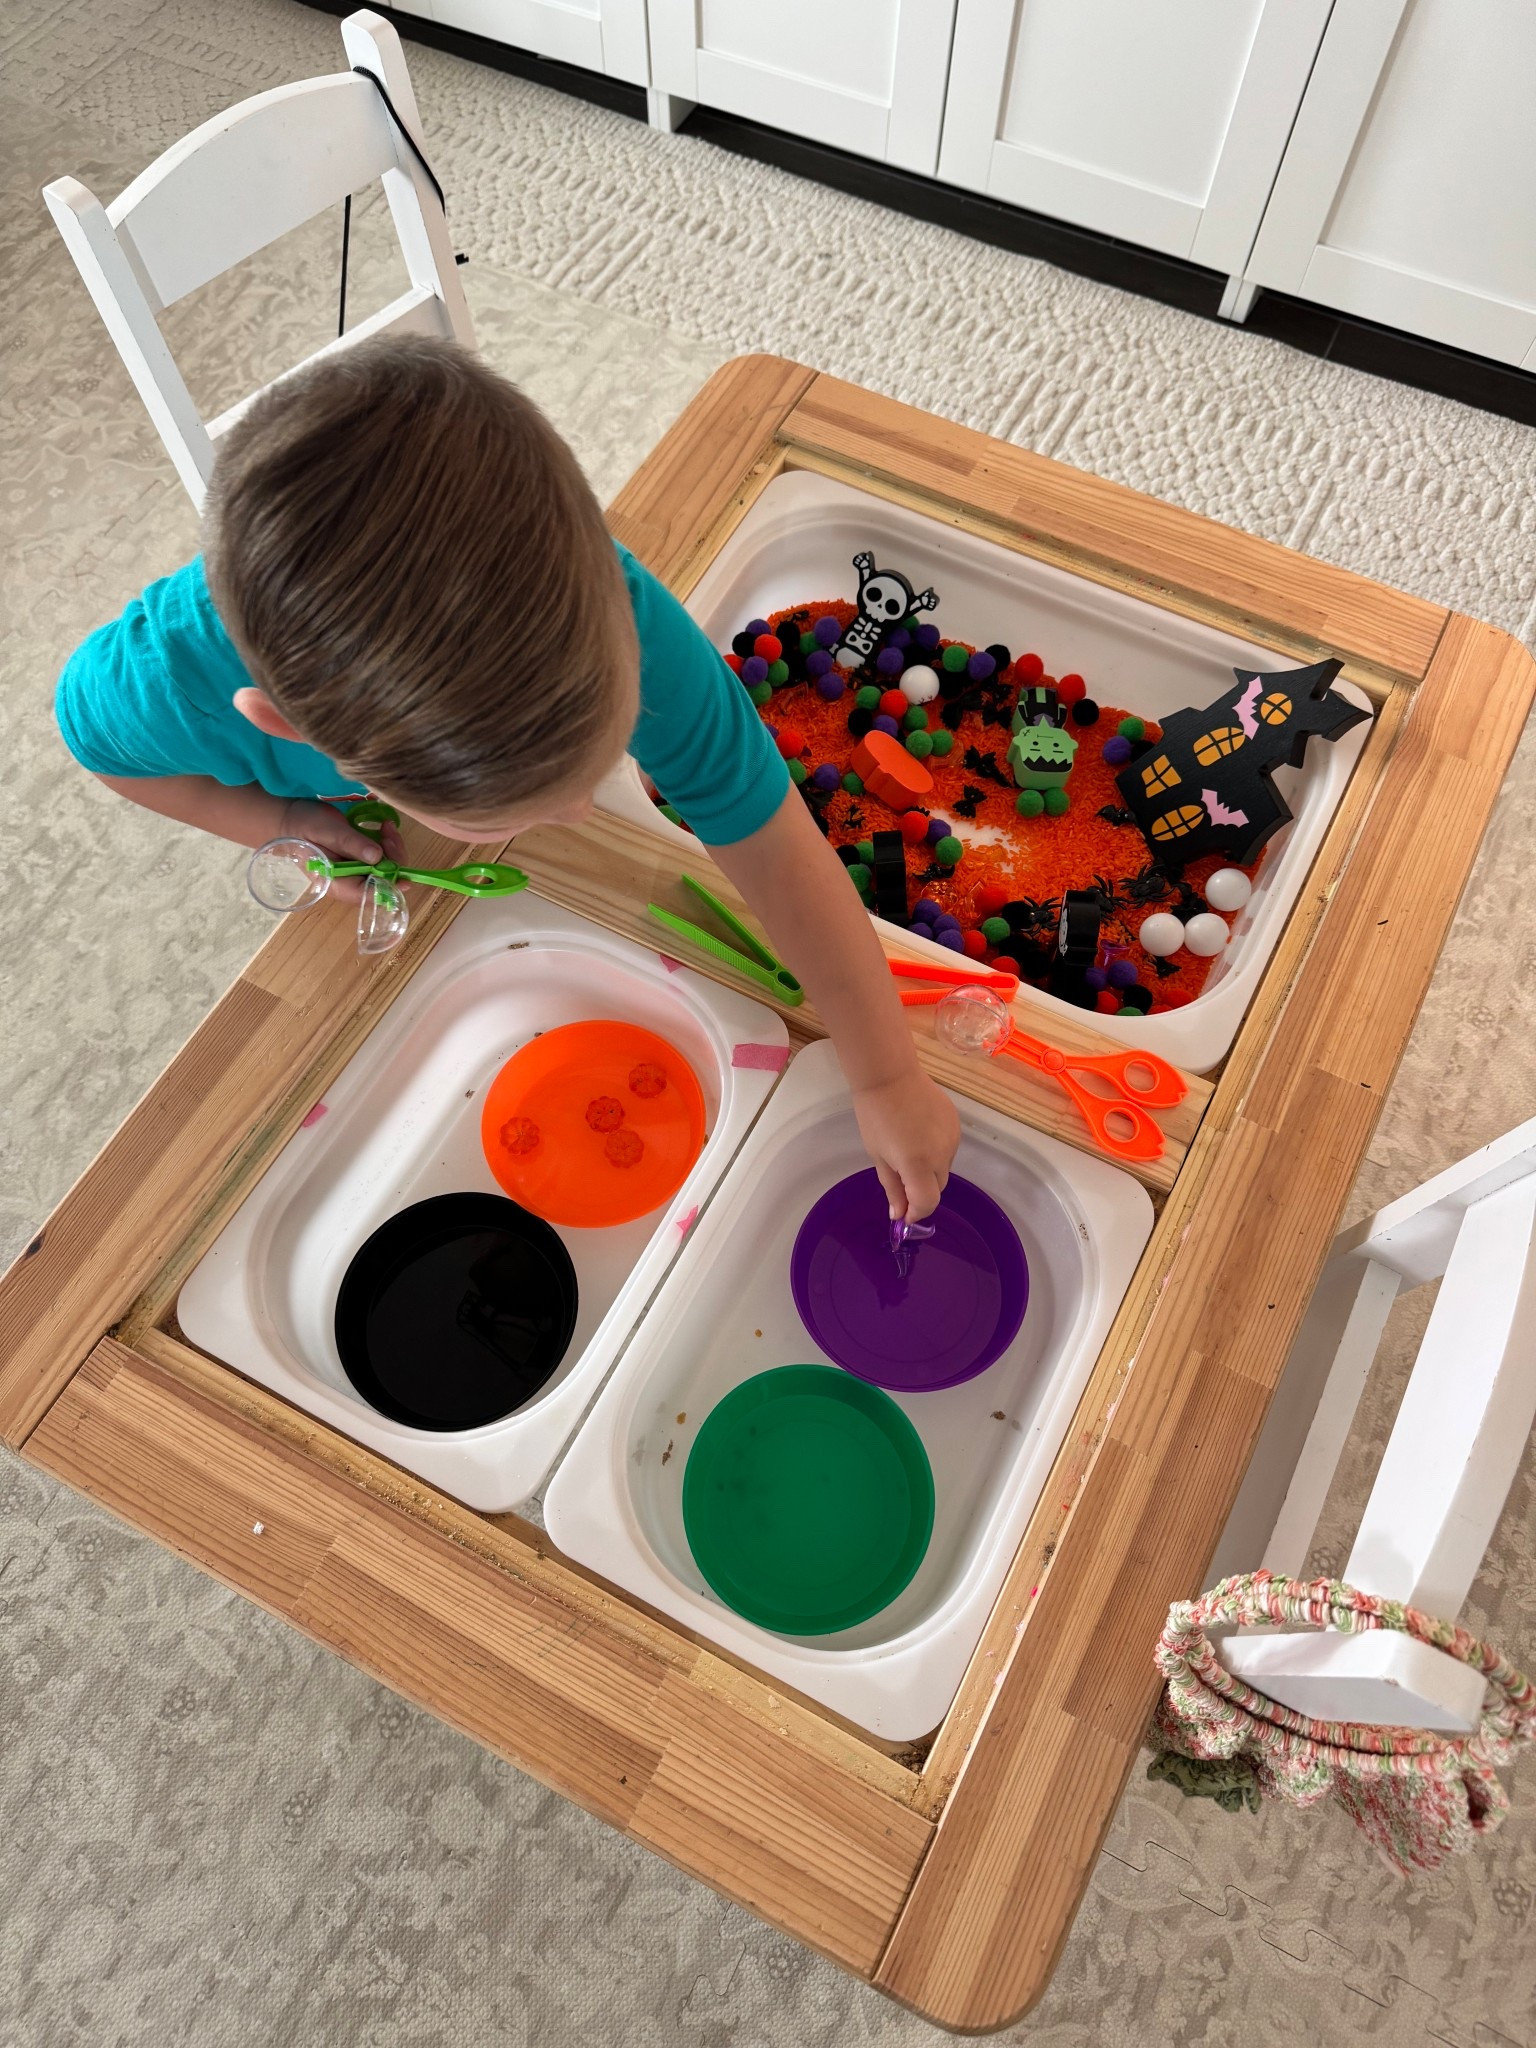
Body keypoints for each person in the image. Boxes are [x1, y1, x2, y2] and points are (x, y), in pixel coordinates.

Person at [56, 335, 959, 1217]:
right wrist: (279, 820)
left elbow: (771, 841)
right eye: (510, 809)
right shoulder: (158, 687)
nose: (581, 813)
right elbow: (103, 756)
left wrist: (885, 1073)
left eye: (589, 772)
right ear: (292, 732)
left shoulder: (624, 620)